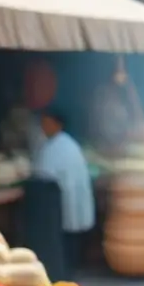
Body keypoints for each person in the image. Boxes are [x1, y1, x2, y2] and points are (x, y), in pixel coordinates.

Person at [32, 108, 95, 277]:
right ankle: (71, 268)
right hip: (69, 195)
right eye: (42, 123)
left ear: (57, 125)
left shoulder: (58, 146)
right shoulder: (63, 143)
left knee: (67, 237)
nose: (43, 127)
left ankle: (68, 270)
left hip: (64, 197)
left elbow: (43, 174)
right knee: (71, 232)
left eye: (47, 123)